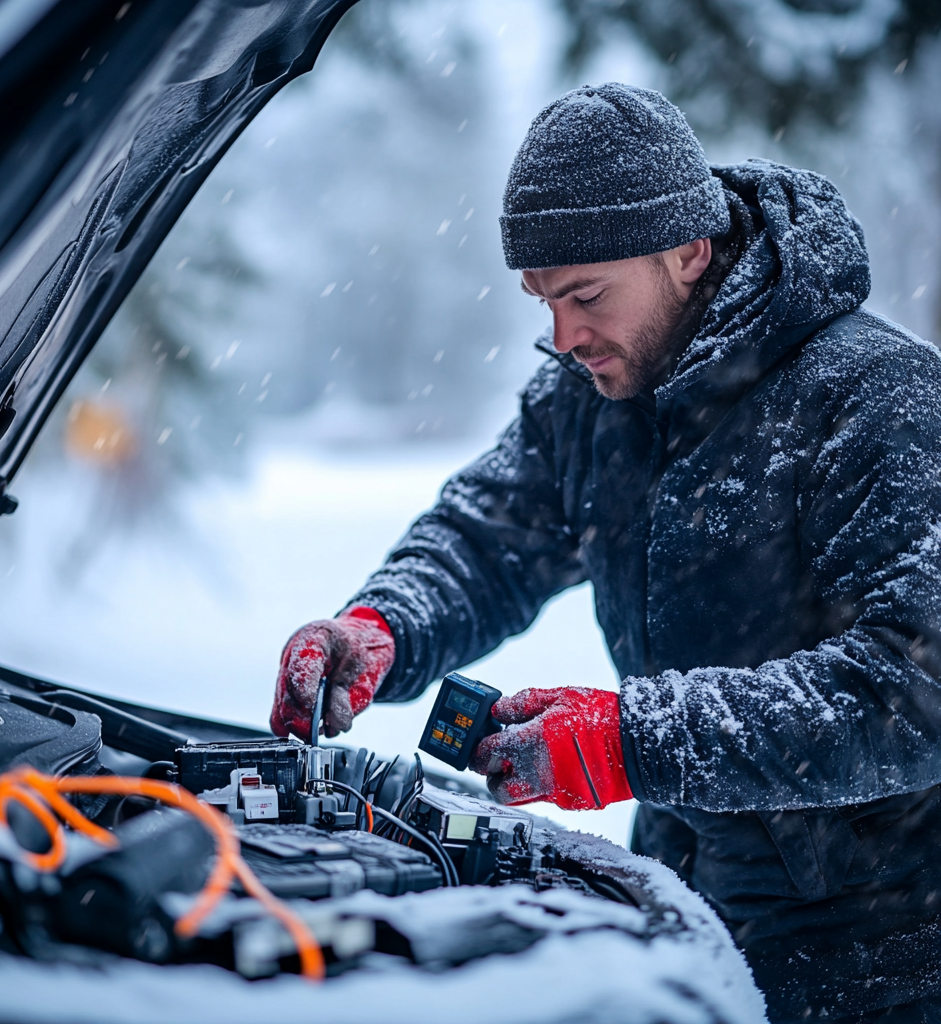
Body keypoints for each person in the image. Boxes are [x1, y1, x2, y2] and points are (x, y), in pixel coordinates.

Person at [270, 83, 941, 1023]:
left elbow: (916, 690)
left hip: (879, 953)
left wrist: (632, 740)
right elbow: (486, 536)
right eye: (544, 301)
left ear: (688, 252)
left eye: (586, 295)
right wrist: (382, 624)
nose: (562, 336)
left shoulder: (879, 399)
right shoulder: (591, 395)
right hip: (678, 906)